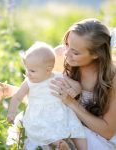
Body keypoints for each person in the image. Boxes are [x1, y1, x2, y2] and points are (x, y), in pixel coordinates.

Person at [0, 41, 87, 150]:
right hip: (38, 116)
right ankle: (59, 145)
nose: (27, 73)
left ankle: (68, 145)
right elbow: (17, 97)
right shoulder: (28, 82)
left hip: (59, 112)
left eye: (32, 71)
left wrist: (74, 90)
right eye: (27, 69)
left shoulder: (58, 76)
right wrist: (11, 112)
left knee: (75, 131)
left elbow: (77, 85)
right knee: (44, 134)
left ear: (48, 70)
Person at [50, 18, 116, 150]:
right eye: (67, 45)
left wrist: (71, 103)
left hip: (98, 137)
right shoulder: (59, 56)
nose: (67, 54)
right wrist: (13, 91)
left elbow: (108, 132)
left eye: (75, 52)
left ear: (96, 54)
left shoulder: (112, 78)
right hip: (63, 127)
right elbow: (39, 91)